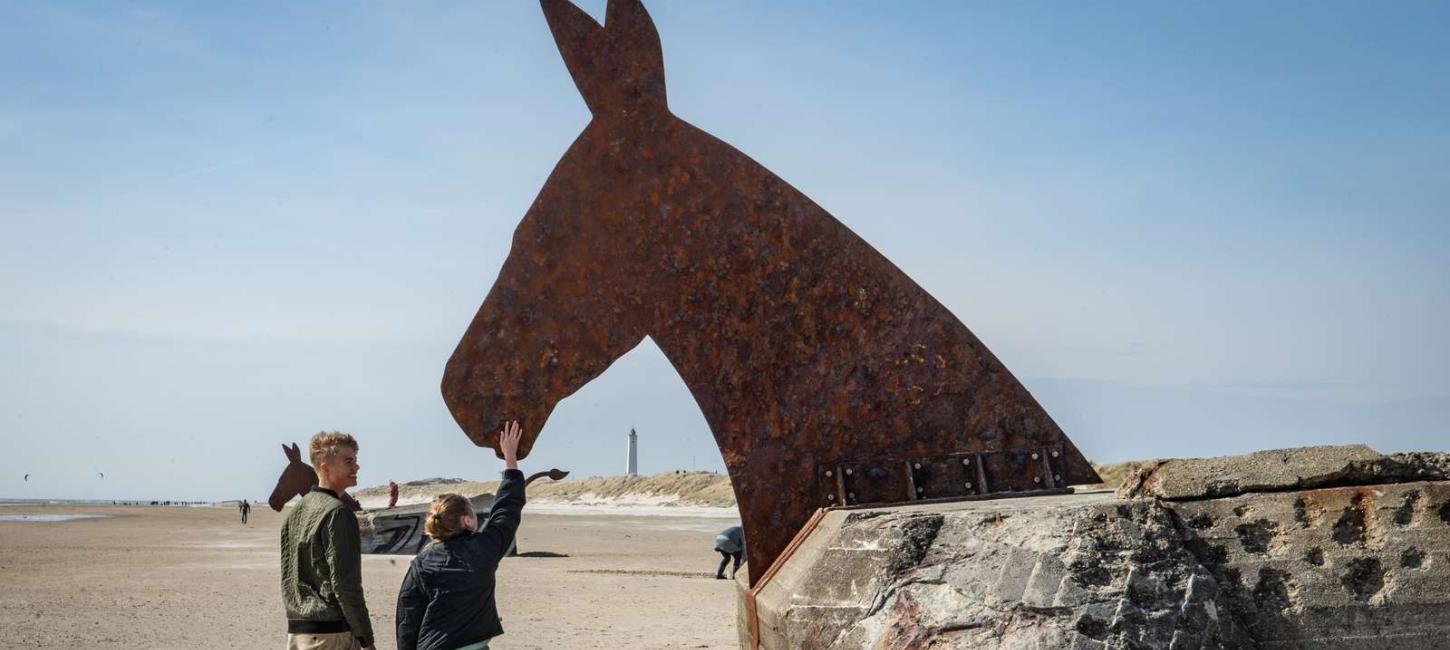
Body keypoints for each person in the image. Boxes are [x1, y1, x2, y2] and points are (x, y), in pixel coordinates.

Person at [396, 421, 527, 650]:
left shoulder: (421, 562)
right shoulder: (484, 549)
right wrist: (510, 460)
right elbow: (506, 510)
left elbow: (408, 617)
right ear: (467, 520)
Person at [280, 431, 375, 650]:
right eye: (349, 461)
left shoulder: (296, 513)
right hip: (331, 633)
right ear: (325, 468)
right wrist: (366, 638)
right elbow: (345, 584)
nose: (356, 467)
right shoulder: (338, 513)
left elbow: (288, 578)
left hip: (297, 631)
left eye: (356, 461)